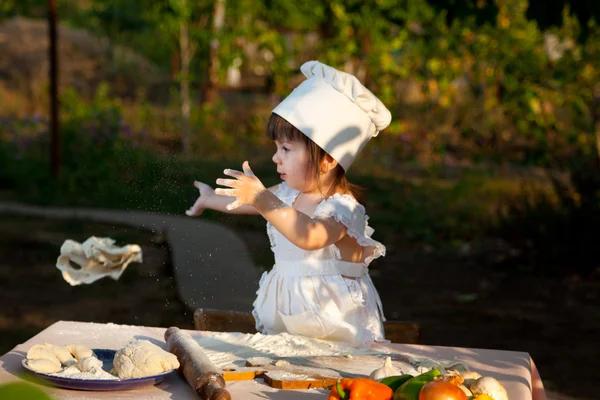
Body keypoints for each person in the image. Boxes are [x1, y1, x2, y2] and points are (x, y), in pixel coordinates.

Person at [186, 60, 392, 346]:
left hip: (339, 327)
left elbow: (310, 236)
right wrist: (210, 199)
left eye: (286, 148)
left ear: (328, 159)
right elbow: (249, 203)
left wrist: (261, 197)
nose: (275, 157)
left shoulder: (342, 209)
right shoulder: (287, 193)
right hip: (293, 320)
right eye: (276, 147)